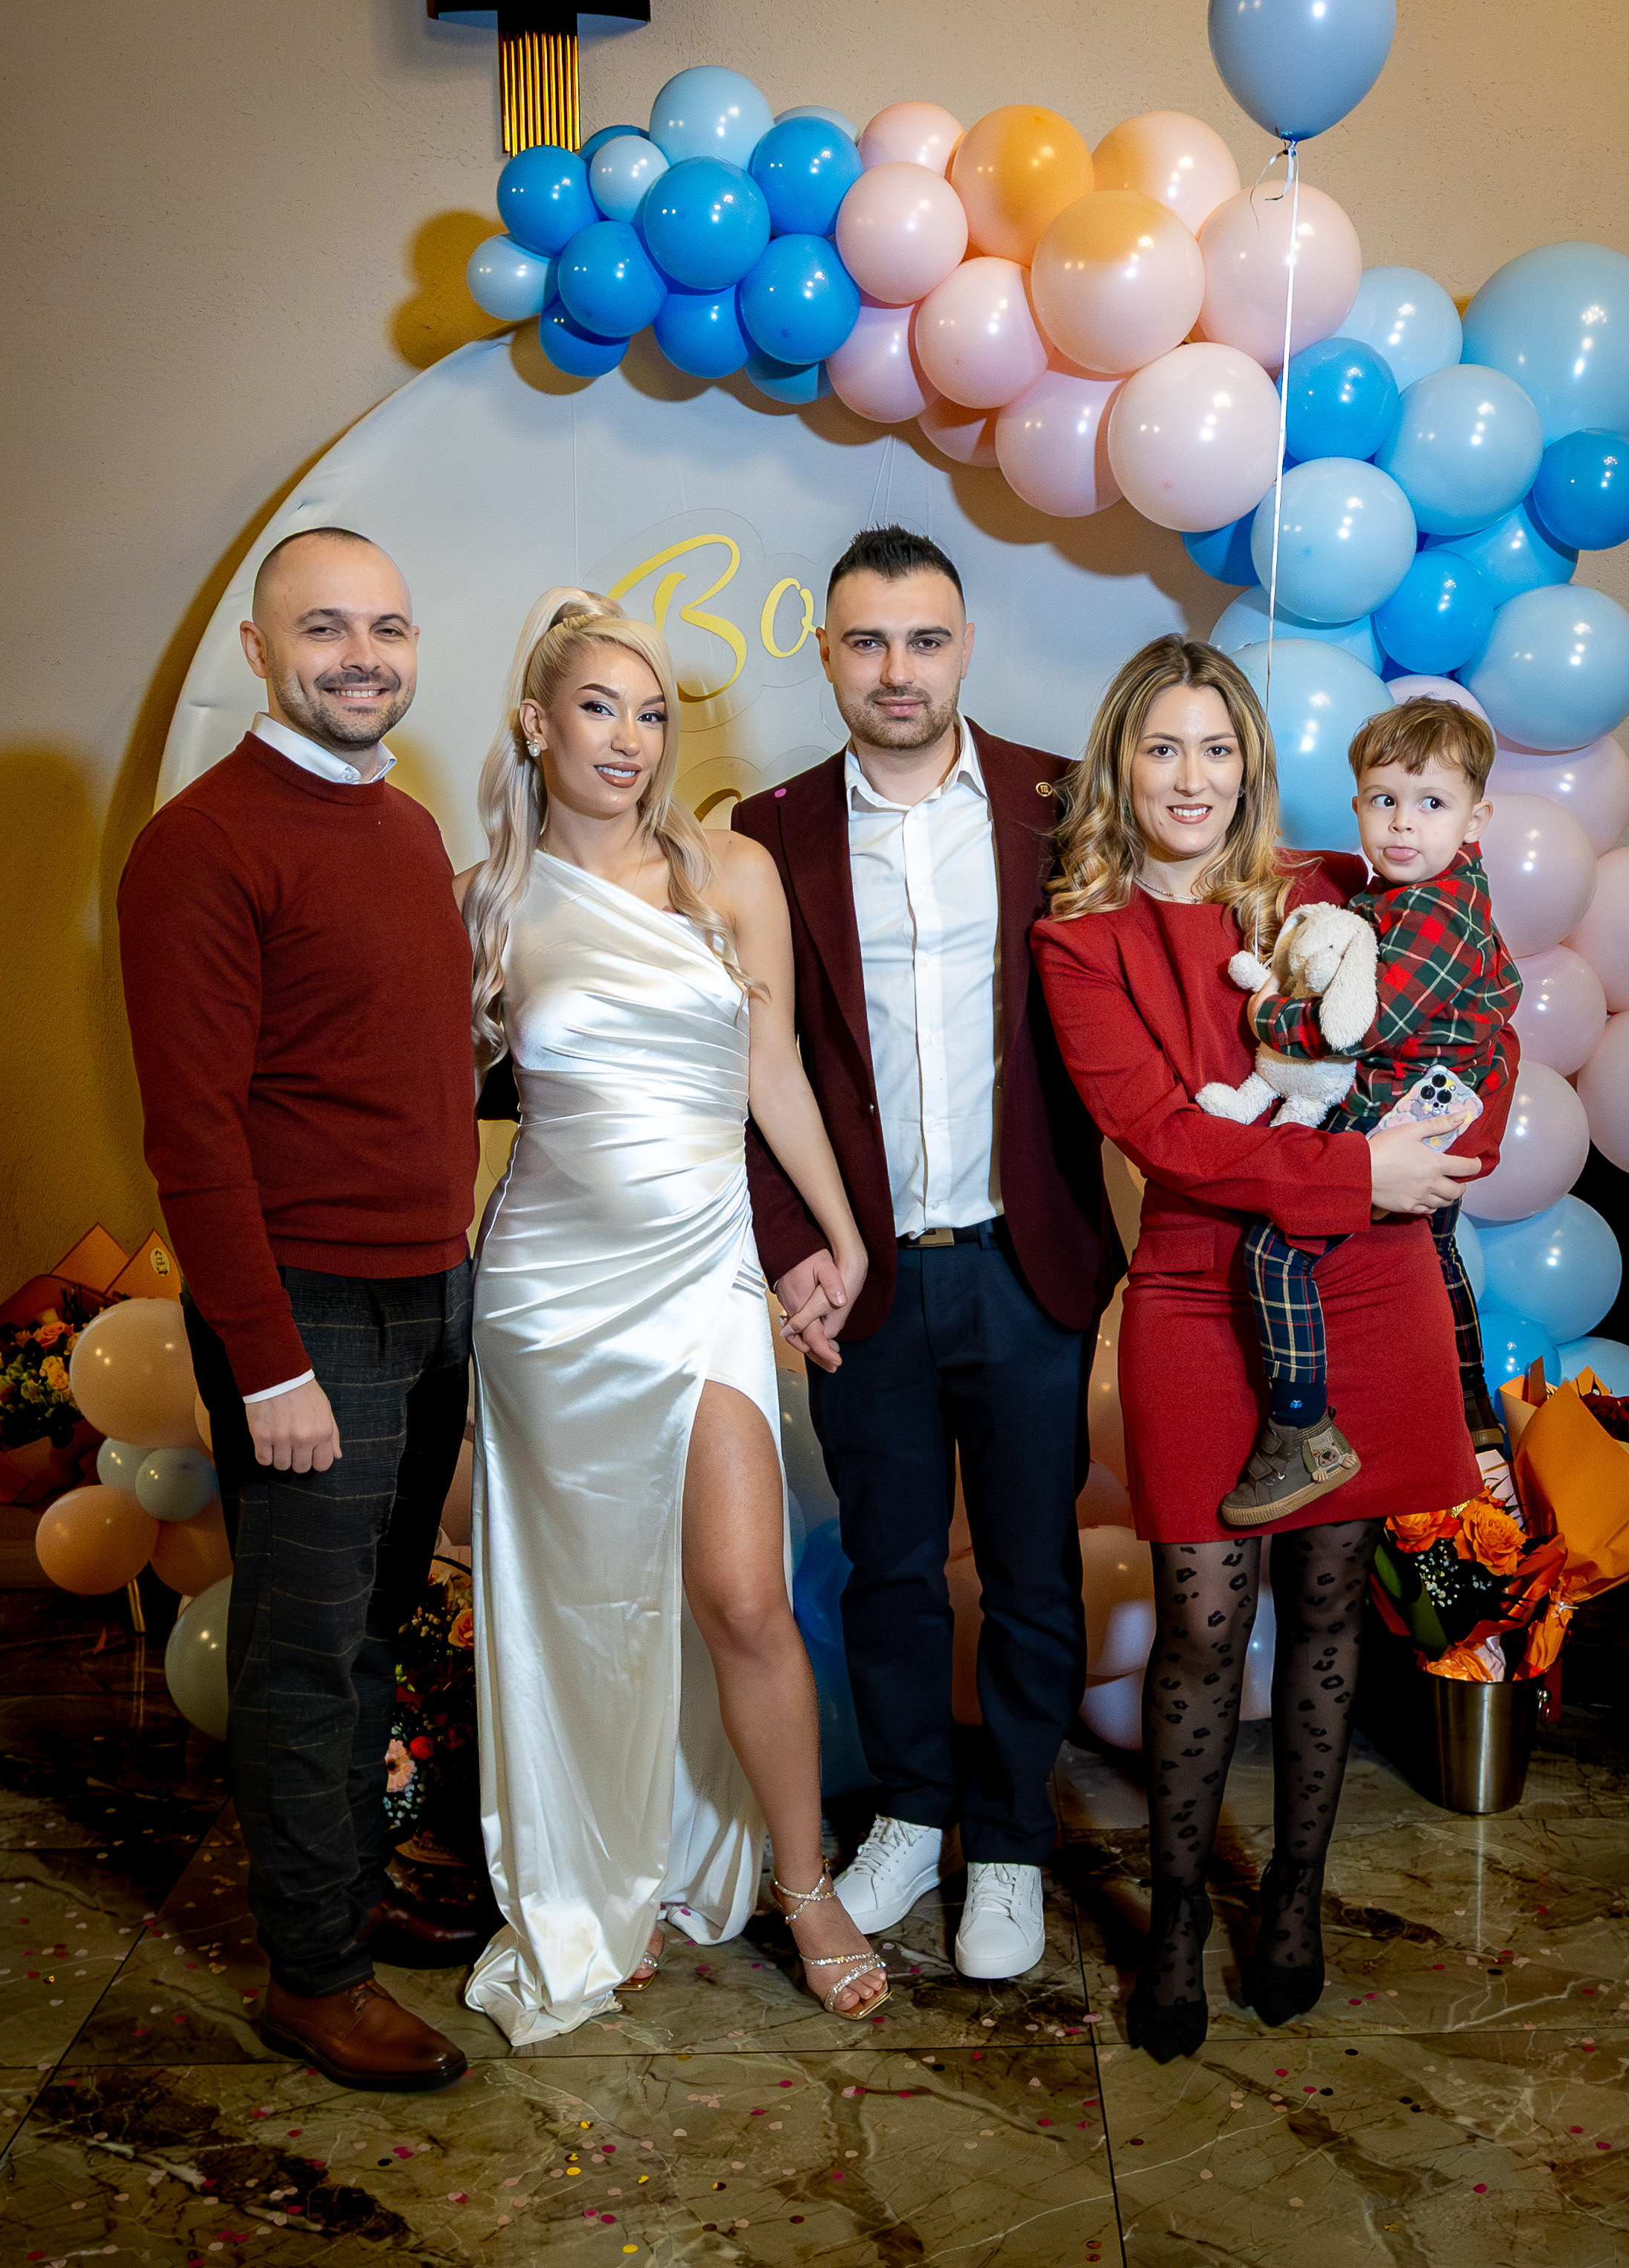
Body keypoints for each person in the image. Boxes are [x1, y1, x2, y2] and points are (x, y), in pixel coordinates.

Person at [1030, 635, 1517, 2062]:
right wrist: (1359, 1171)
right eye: (1161, 747)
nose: (1190, 777)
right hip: (1197, 1285)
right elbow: (1167, 1137)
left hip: (1363, 1276)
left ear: (1249, 763)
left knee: (1325, 1600)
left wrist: (1459, 1134)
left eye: (1216, 747)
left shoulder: (1326, 883)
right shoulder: (1079, 940)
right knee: (1198, 1616)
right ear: (1120, 763)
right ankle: (1178, 1910)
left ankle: (1293, 1894)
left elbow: (1474, 1007)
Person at [458, 595, 889, 2043]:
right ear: (536, 722)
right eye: (599, 708)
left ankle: (804, 1885)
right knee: (577, 1600)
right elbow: (424, 1106)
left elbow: (772, 1072)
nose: (631, 740)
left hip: (704, 1272)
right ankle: (600, 1873)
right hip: (548, 1294)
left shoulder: (729, 870)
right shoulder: (484, 901)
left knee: (743, 1597)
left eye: (652, 714)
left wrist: (835, 1232)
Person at [118, 527, 480, 2094]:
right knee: (303, 1648)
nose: (362, 656)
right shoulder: (200, 845)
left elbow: (395, 1060)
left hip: (430, 1290)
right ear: (259, 652)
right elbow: (194, 1138)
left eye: (385, 627)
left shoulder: (403, 824)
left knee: (371, 1629)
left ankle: (345, 1891)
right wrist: (267, 1364)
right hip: (309, 1309)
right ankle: (312, 1975)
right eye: (324, 628)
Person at [733, 527, 1120, 1982]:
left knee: (1029, 1573)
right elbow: (744, 1067)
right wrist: (789, 1249)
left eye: (924, 640)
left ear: (963, 647)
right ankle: (906, 1813)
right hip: (863, 1278)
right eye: (867, 641)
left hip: (1027, 1264)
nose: (897, 670)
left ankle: (1008, 1838)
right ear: (826, 653)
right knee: (887, 1569)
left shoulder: (1061, 806)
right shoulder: (765, 833)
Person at [1210, 696, 1521, 1525]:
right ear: (1356, 806)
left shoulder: (1433, 911)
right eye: (1384, 800)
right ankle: (1469, 1409)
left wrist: (1268, 1017)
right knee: (1435, 1250)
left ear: (1475, 818)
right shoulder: (1420, 893)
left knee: (1275, 1252)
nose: (1402, 823)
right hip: (1436, 1108)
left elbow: (1361, 1025)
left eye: (1432, 803)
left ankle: (1301, 1431)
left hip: (1398, 1111)